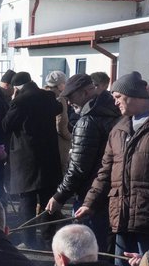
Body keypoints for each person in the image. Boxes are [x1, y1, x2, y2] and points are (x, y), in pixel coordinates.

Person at [75, 71, 149, 266]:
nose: (115, 103)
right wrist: (90, 202)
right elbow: (105, 171)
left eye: (118, 97)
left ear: (132, 95)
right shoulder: (119, 128)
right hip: (121, 220)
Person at [46, 74, 120, 252]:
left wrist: (59, 196)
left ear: (86, 92)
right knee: (106, 250)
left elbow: (78, 167)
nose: (69, 102)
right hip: (111, 192)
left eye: (71, 97)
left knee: (88, 251)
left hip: (90, 196)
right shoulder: (114, 111)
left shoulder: (87, 121)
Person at [2, 71, 63, 249]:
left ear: (16, 87)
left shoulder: (20, 101)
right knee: (47, 200)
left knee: (27, 202)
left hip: (25, 160)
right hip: (48, 156)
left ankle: (29, 241)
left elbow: (6, 125)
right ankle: (47, 238)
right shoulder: (48, 96)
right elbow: (58, 109)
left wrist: (14, 99)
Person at [44, 71, 72, 174]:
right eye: (65, 83)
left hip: (44, 141)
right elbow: (61, 126)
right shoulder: (60, 100)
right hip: (59, 143)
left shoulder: (42, 96)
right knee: (61, 171)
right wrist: (71, 138)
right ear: (60, 85)